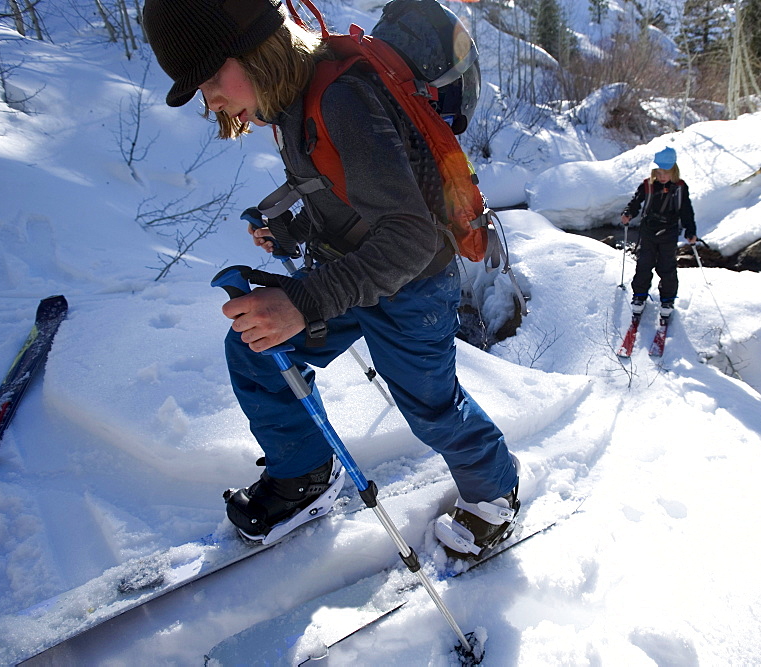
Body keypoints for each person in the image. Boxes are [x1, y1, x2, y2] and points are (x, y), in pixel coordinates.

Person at [142, 0, 519, 558]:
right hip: (353, 275)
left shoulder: (341, 97)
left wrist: (302, 300)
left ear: (254, 49)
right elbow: (348, 195)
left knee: (431, 409)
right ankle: (306, 477)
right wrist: (292, 233)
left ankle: (495, 491)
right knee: (256, 348)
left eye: (209, 78)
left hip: (413, 289)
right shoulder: (290, 102)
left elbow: (411, 237)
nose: (210, 99)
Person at [620, 147, 697, 318]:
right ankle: (639, 296)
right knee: (644, 264)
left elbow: (686, 211)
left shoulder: (680, 188)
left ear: (674, 171)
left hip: (669, 232)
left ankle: (667, 299)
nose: (662, 176)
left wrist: (690, 230)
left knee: (667, 266)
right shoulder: (647, 185)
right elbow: (635, 202)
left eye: (666, 172)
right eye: (659, 172)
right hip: (648, 230)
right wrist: (628, 213)